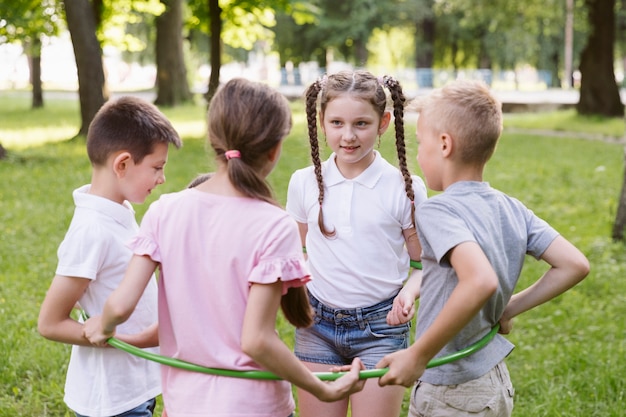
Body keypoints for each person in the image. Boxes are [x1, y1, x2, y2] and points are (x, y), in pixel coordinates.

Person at [83, 78, 366, 417]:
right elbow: (256, 340)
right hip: (255, 408)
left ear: (213, 139)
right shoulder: (274, 225)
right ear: (274, 150)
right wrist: (319, 386)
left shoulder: (163, 211)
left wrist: (104, 326)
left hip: (184, 406)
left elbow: (121, 304)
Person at [376, 79, 590, 417]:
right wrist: (508, 308)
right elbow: (575, 264)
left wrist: (417, 355)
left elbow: (479, 281)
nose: (417, 154)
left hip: (452, 390)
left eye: (420, 143)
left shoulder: (437, 210)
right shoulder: (510, 207)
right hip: (492, 382)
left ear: (444, 144)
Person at [285, 70, 427, 417]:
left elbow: (426, 264)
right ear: (321, 122)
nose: (347, 136)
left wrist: (408, 293)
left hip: (381, 328)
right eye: (336, 122)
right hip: (316, 324)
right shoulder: (303, 182)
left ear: (384, 123)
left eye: (361, 123)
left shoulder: (403, 188)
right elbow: (293, 254)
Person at [37, 96, 183, 417]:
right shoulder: (92, 229)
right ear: (123, 164)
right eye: (157, 168)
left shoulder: (119, 210)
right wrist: (109, 335)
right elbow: (50, 322)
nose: (162, 179)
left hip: (137, 382)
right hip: (112, 398)